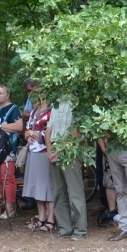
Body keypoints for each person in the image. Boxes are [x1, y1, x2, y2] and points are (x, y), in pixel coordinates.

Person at [45, 98, 87, 241]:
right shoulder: (55, 103)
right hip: (54, 151)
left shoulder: (77, 102)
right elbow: (49, 129)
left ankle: (80, 230)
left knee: (75, 192)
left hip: (71, 151)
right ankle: (65, 228)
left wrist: (59, 149)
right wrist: (50, 149)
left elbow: (77, 131)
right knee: (58, 192)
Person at [0, 85, 23, 219]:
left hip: (7, 149)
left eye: (1, 93)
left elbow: (19, 126)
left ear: (7, 95)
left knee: (7, 178)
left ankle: (10, 208)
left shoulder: (13, 109)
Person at [21, 94, 54, 231]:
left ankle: (51, 218)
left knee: (47, 186)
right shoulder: (34, 112)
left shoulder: (51, 111)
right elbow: (26, 130)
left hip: (45, 152)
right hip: (33, 152)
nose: (36, 99)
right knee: (36, 187)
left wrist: (34, 134)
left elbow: (50, 133)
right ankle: (41, 217)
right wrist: (28, 135)